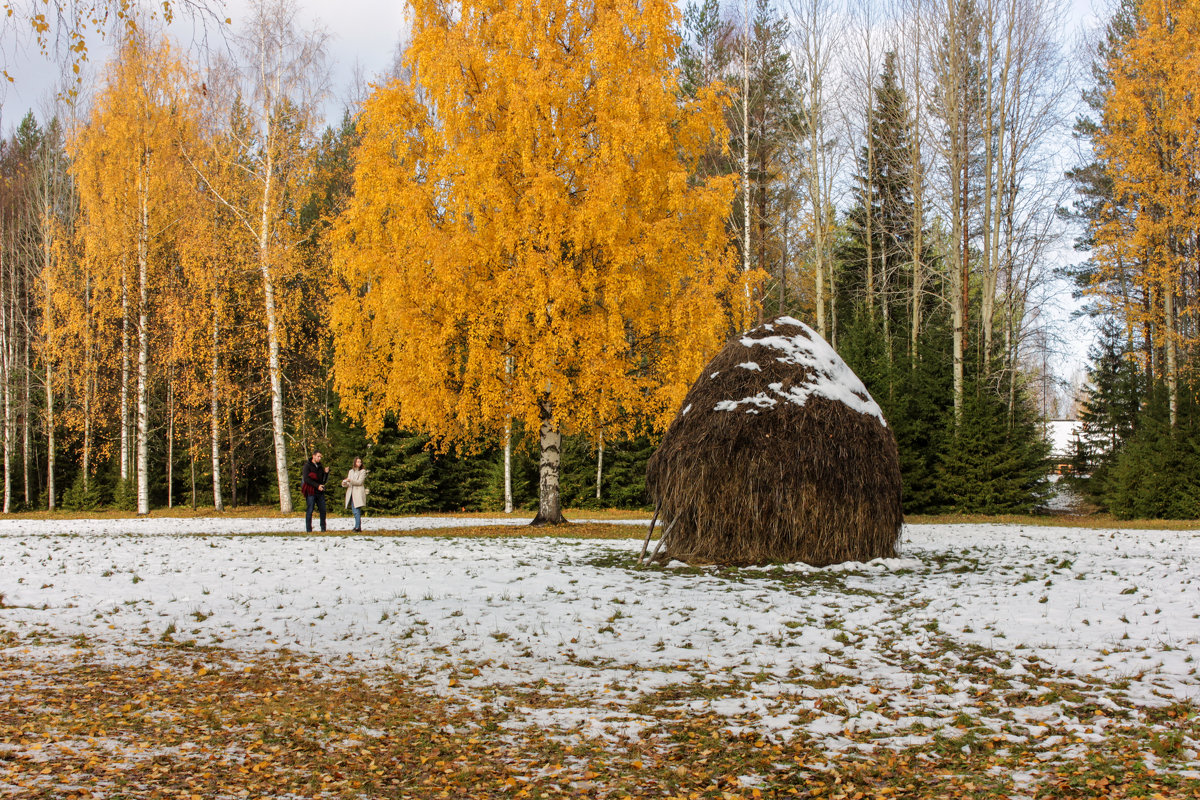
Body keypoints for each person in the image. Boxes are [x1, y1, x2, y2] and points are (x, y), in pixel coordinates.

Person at [301, 451, 330, 532]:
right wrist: (317, 486)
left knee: (323, 510)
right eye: (318, 456)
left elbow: (323, 480)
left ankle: (323, 528)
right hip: (311, 491)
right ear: (313, 456)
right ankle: (309, 529)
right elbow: (306, 479)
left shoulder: (320, 466)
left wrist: (326, 473)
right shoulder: (307, 466)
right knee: (310, 510)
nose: (319, 458)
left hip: (320, 492)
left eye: (320, 457)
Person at [341, 456, 368, 532]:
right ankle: (357, 526)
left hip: (358, 493)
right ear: (355, 462)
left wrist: (350, 480)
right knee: (354, 510)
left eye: (360, 462)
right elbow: (349, 483)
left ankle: (357, 527)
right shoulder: (351, 471)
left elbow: (359, 482)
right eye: (357, 462)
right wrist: (344, 483)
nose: (359, 463)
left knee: (356, 510)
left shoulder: (362, 471)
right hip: (351, 492)